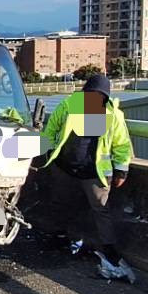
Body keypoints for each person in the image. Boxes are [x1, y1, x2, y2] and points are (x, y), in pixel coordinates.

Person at [37, 74, 137, 282]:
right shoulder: (68, 106)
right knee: (59, 203)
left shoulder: (113, 115)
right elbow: (52, 128)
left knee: (101, 209)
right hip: (65, 167)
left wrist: (121, 171)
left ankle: (108, 248)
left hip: (95, 172)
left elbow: (122, 145)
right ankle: (57, 236)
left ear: (105, 97)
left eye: (98, 96)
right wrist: (48, 150)